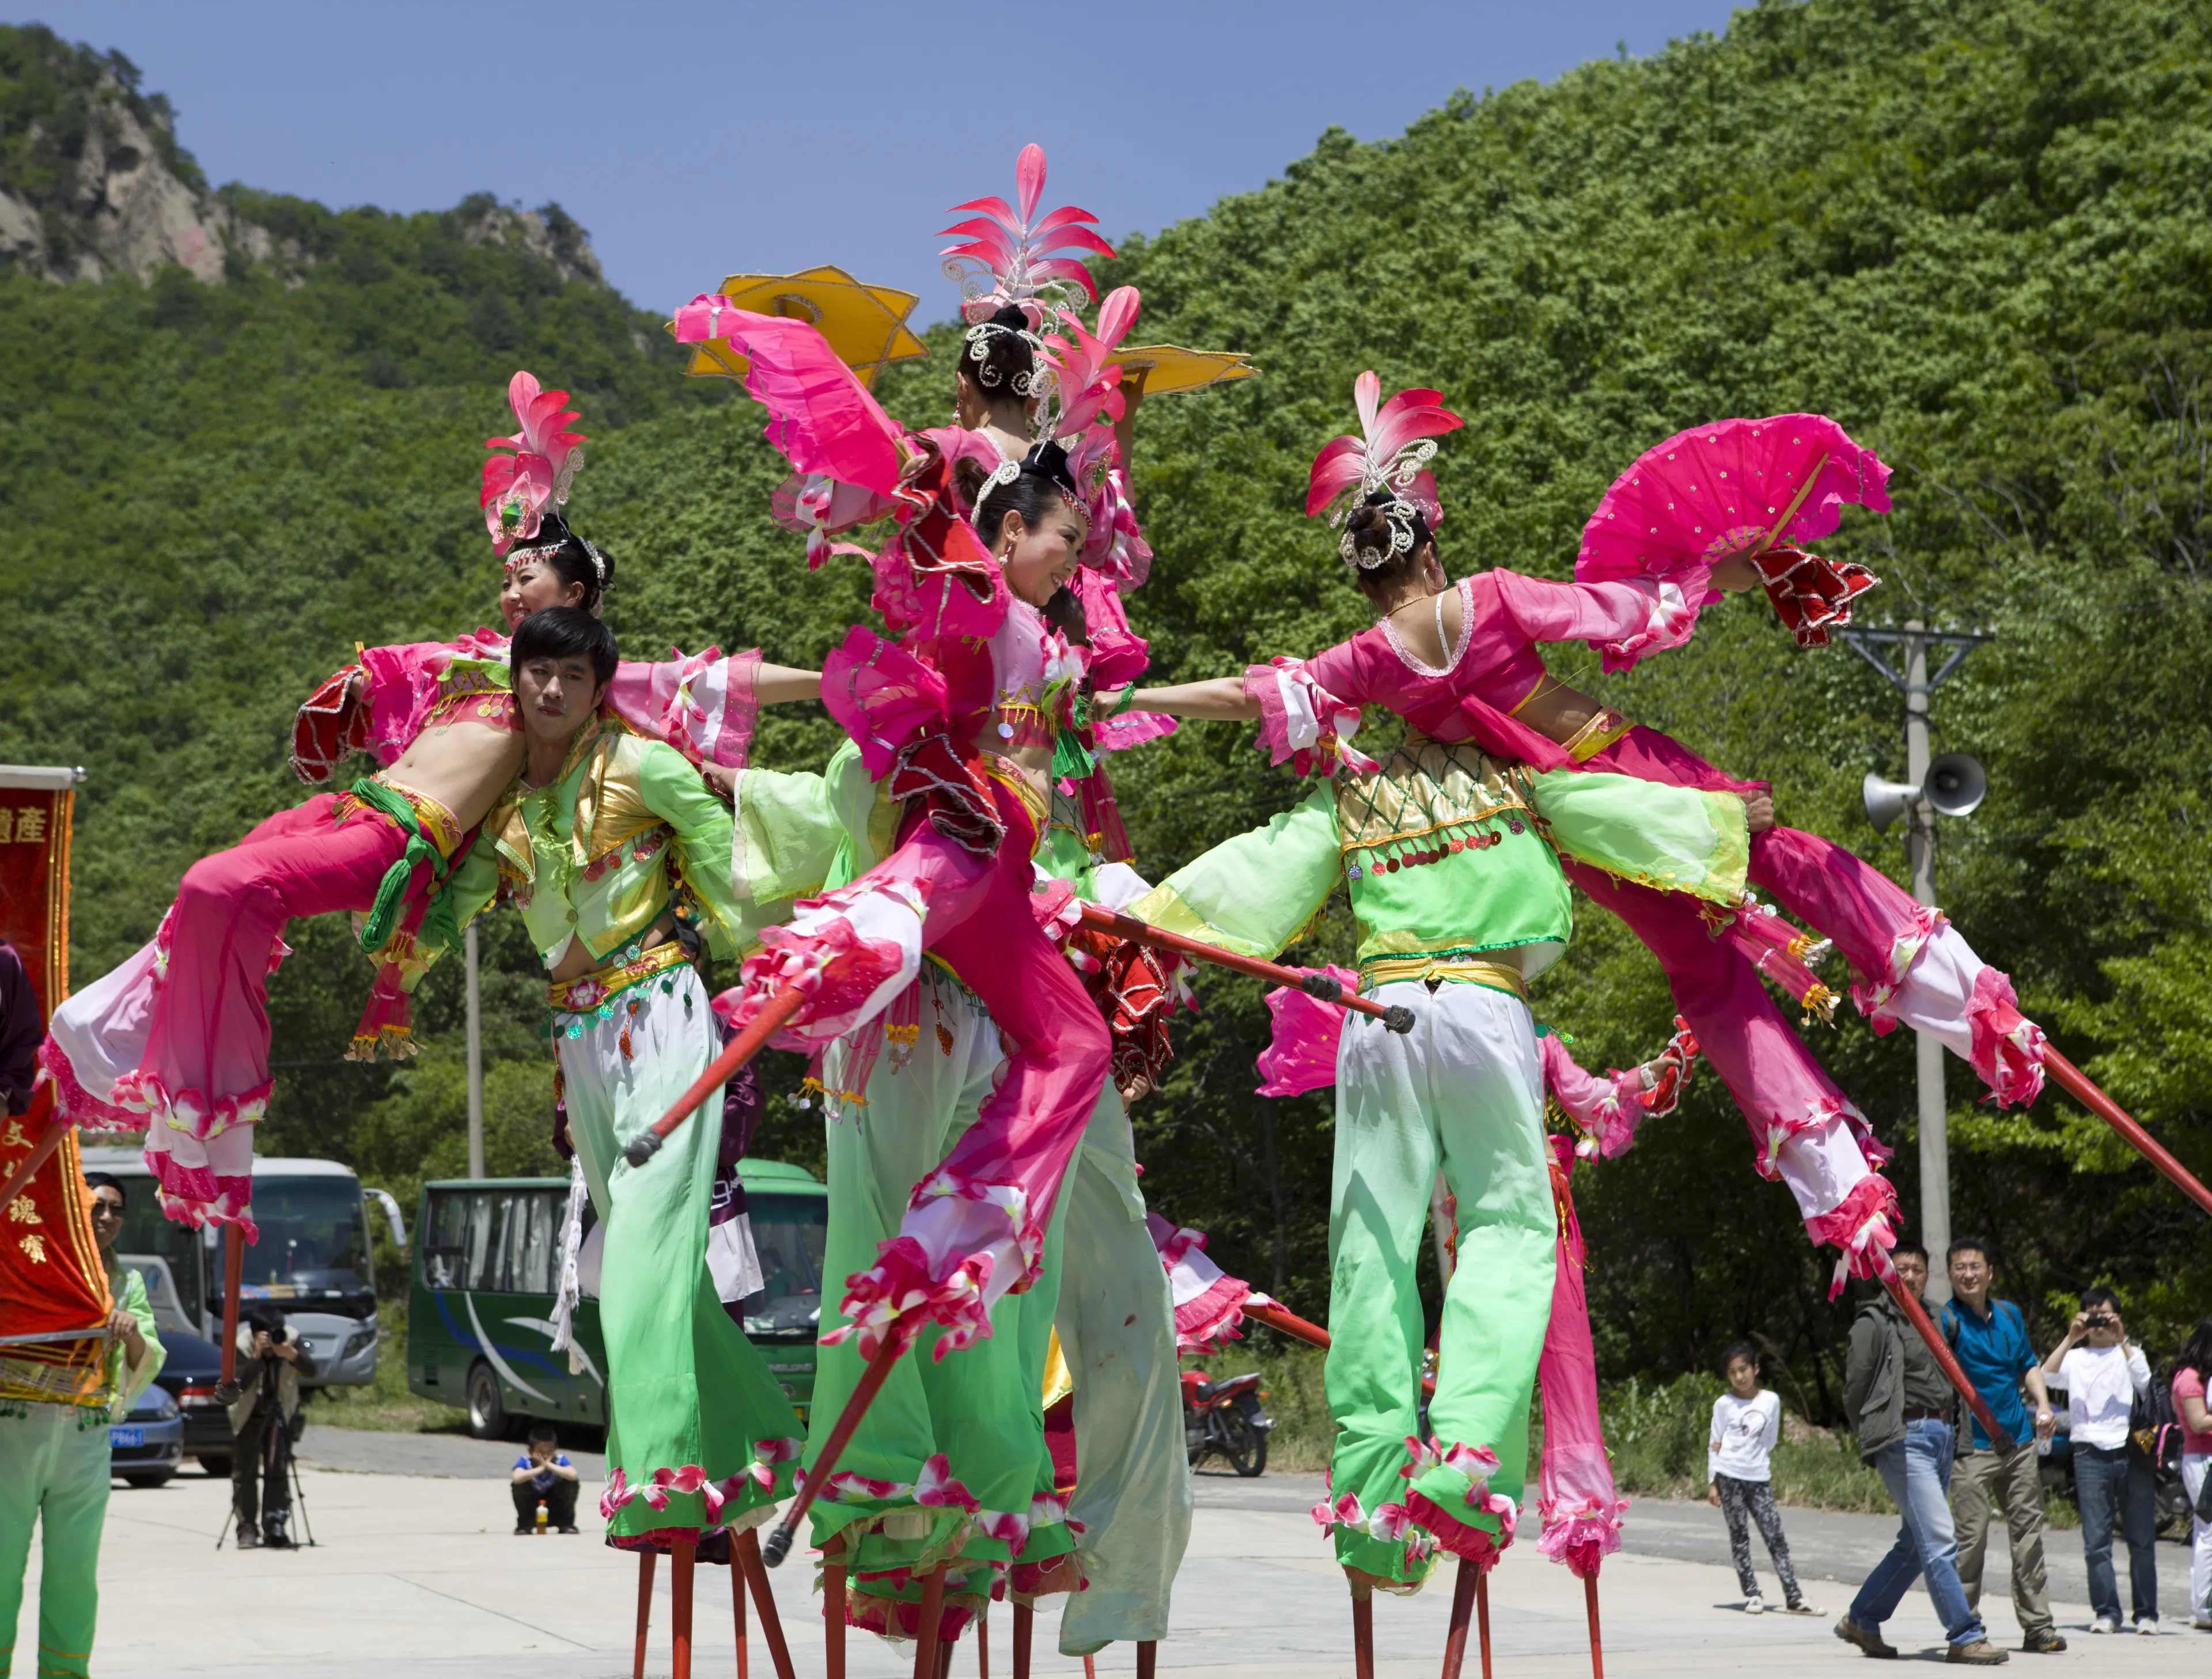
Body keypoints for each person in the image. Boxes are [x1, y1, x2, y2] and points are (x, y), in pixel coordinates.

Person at [437, 607, 801, 1553]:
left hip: (664, 1015)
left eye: (570, 675)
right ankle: (767, 1448)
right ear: (514, 680)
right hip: (581, 1042)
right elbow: (453, 902)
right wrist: (379, 935)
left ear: (600, 688)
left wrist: (774, 971)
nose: (550, 690)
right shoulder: (503, 801)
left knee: (641, 1253)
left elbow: (727, 878)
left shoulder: (646, 767)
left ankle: (661, 1479)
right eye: (537, 672)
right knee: (645, 1281)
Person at [1, 1169, 166, 1679]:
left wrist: (128, 1326)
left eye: (116, 1209)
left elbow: (148, 1356)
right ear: (72, 1207)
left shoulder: (127, 1282)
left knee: (75, 1573)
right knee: (2, 1567)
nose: (107, 1217)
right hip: (14, 1427)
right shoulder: (31, 1260)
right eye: (96, 1206)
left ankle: (65, 1673)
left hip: (85, 1435)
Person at [1836, 1242, 2007, 1663]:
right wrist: (1873, 1436)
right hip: (1904, 1436)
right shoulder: (1874, 1320)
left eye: (1916, 1269)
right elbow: (1854, 1388)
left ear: (1928, 1275)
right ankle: (1965, 1633)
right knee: (1939, 1537)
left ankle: (1863, 1617)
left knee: (1916, 1544)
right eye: (1901, 1268)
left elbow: (1956, 1379)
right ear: (1885, 1273)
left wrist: (1964, 1434)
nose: (1909, 1275)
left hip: (1942, 1435)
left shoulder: (1939, 1318)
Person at [1940, 1238, 2063, 1653]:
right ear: (1950, 1274)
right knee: (1970, 1540)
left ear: (1990, 1271)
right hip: (1972, 1447)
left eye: (1976, 1266)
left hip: (2020, 1442)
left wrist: (2043, 1406)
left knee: (2028, 1535)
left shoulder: (2009, 1314)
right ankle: (1966, 1628)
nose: (1968, 1274)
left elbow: (2028, 1363)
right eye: (1960, 1267)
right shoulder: (1946, 1321)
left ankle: (2038, 1626)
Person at [2041, 1286, 2158, 1634]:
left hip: (2131, 1451)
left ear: (2117, 1317)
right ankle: (2107, 1612)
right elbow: (2046, 1375)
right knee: (2096, 1540)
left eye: (2104, 1314)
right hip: (2089, 1451)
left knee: (2141, 1538)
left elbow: (2145, 1384)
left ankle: (2146, 1613)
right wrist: (2070, 1337)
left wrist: (2122, 1340)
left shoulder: (2131, 1353)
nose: (2098, 1322)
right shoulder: (2076, 1357)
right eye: (2091, 1314)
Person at [1707, 1341, 1817, 1616]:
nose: (1739, 1377)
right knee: (1740, 1536)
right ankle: (1752, 1594)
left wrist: (1755, 1460)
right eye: (1733, 1372)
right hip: (1729, 1476)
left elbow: (1770, 1440)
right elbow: (1716, 1442)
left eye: (1743, 1369)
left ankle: (1793, 1596)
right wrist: (1713, 1481)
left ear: (1755, 1369)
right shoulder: (1724, 1404)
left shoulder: (1770, 1401)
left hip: (1758, 1477)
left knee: (1775, 1536)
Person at [228, 1305, 304, 1550]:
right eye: (268, 1334)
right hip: (248, 1415)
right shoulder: (241, 1345)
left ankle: (275, 1525)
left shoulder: (290, 1339)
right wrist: (257, 1357)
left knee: (278, 1472)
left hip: (280, 1414)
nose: (274, 1339)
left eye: (277, 1332)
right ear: (255, 1333)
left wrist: (291, 1354)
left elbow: (313, 1370)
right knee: (245, 1475)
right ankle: (247, 1528)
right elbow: (236, 1385)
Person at [2170, 1317, 2212, 1631]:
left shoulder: (2201, 1377)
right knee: (2208, 1534)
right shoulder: (2189, 1379)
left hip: (2203, 1458)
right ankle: (2203, 1608)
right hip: (2201, 1458)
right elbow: (2198, 1423)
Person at [510, 1426, 580, 1534]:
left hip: (554, 1506)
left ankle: (566, 1524)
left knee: (570, 1482)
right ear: (530, 1450)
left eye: (550, 1451)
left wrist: (549, 1465)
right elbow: (517, 1478)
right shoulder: (525, 1461)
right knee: (519, 1485)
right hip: (533, 1507)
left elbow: (573, 1475)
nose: (545, 1455)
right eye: (540, 1452)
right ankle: (524, 1526)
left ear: (556, 1449)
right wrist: (541, 1468)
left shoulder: (560, 1460)